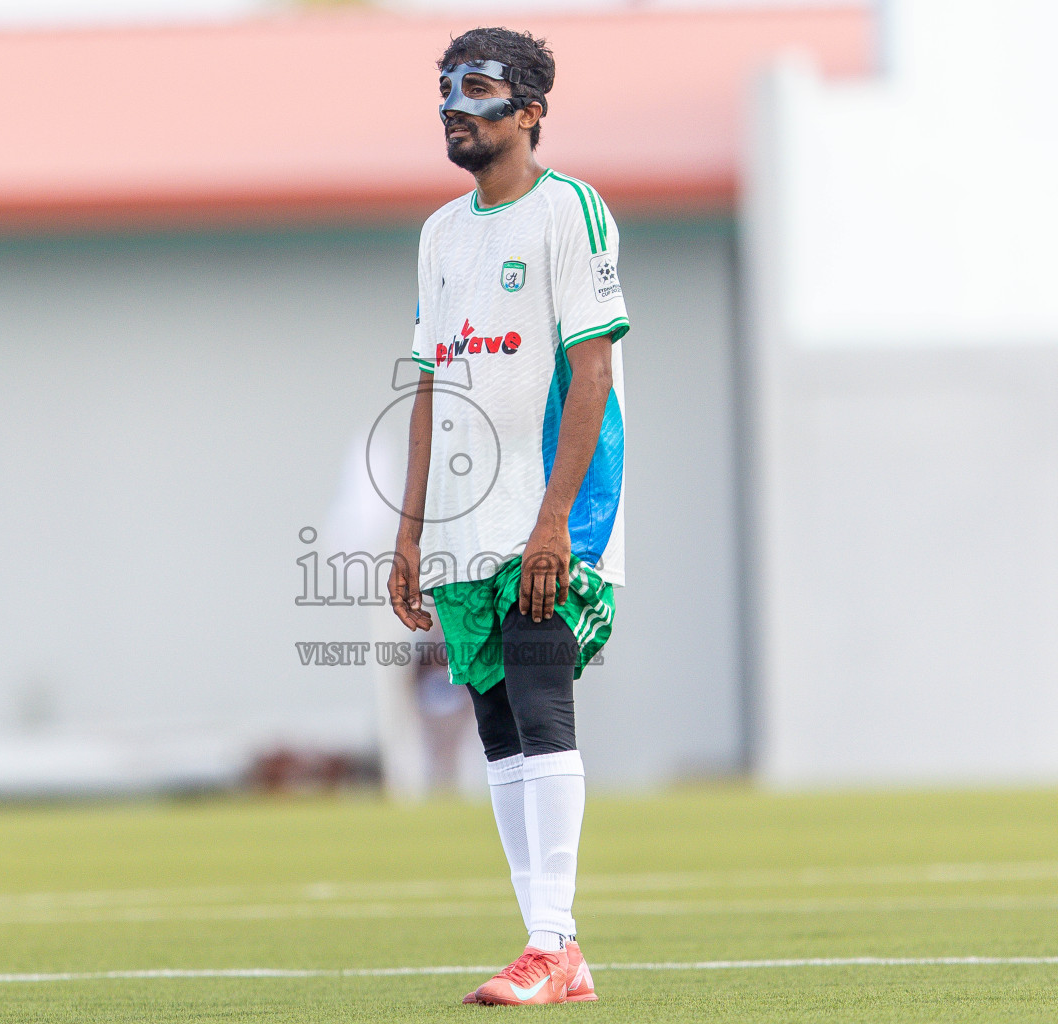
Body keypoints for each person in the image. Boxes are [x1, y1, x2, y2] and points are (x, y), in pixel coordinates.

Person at [387, 26, 628, 1007]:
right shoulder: (439, 234)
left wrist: (555, 519)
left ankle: (553, 939)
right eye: (446, 89)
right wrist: (410, 532)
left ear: (529, 110)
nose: (455, 106)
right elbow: (429, 388)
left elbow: (593, 373)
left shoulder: (570, 211)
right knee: (496, 726)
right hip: (460, 525)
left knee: (541, 702)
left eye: (478, 89)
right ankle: (553, 951)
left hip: (547, 513)